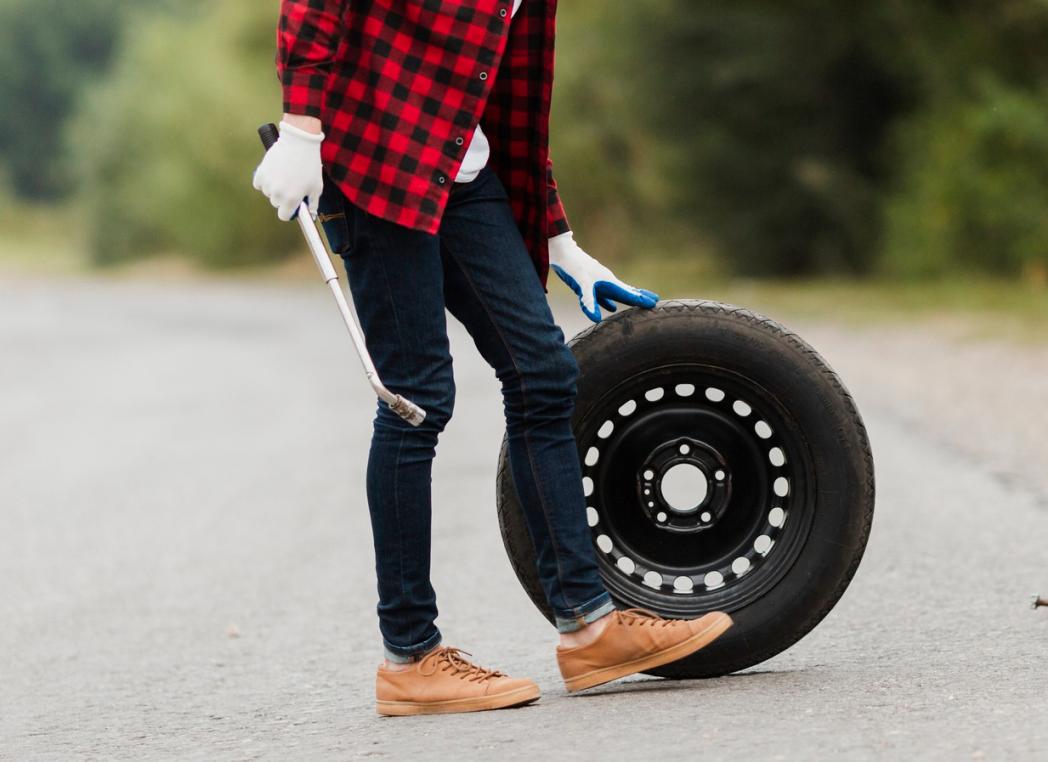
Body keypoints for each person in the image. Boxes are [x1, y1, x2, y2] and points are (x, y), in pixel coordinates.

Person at [251, 0, 731, 716]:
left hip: (463, 176)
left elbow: (508, 105)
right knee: (415, 401)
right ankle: (410, 657)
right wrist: (300, 130)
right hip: (376, 162)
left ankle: (589, 627)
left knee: (543, 373)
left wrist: (559, 239)